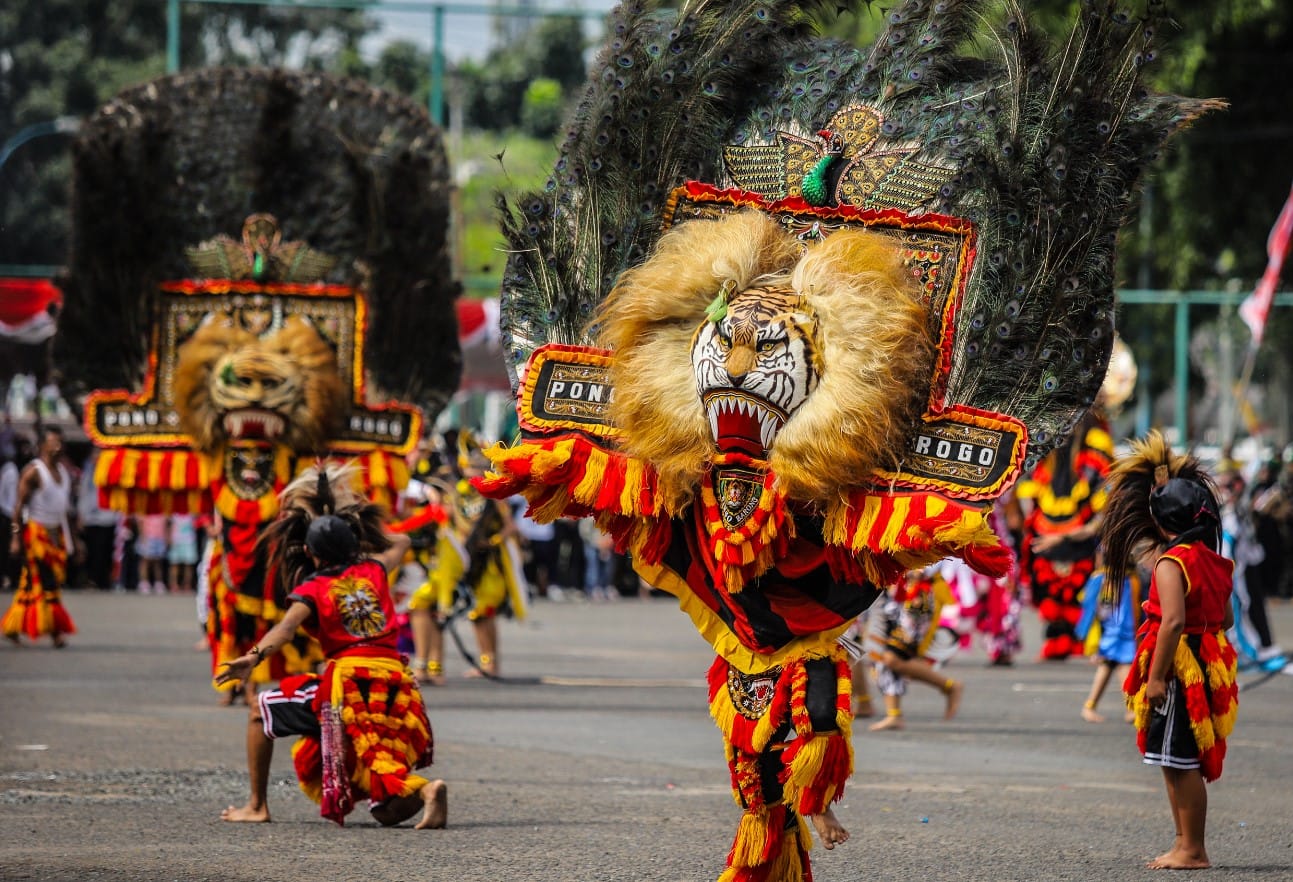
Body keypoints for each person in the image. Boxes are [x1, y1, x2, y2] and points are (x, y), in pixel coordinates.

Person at [215, 465, 446, 828]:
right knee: (385, 812)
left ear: (308, 551)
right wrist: (356, 528)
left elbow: (285, 629)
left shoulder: (314, 587)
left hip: (350, 686)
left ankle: (256, 805)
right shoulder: (375, 568)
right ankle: (425, 791)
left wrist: (252, 657)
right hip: (395, 687)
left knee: (262, 711)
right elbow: (400, 541)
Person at [1101, 431, 1238, 871]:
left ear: (1161, 524)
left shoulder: (1170, 562)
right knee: (1173, 757)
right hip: (1206, 656)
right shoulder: (1213, 559)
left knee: (1181, 761)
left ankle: (1193, 848)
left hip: (1182, 667)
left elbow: (1173, 622)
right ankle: (1183, 842)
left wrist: (1157, 677)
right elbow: (1227, 619)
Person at [2, 426, 79, 646]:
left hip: (57, 535)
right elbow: (18, 509)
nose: (58, 447)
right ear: (42, 446)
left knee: (33, 585)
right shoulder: (33, 472)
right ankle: (55, 631)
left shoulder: (64, 473)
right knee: (46, 582)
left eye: (60, 442)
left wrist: (74, 540)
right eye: (53, 442)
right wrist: (16, 538)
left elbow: (67, 511)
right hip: (36, 535)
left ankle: (13, 626)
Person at [865, 567, 964, 732]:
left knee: (892, 657)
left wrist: (920, 569)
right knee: (883, 654)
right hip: (892, 588)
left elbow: (941, 548)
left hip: (919, 593)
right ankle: (894, 715)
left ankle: (949, 686)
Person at [1074, 548, 1140, 723]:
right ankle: (1130, 709)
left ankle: (1091, 706)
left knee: (1110, 666)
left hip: (1125, 630)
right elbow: (1089, 607)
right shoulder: (1102, 579)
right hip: (1113, 632)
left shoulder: (1130, 579)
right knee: (1123, 665)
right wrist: (1086, 632)